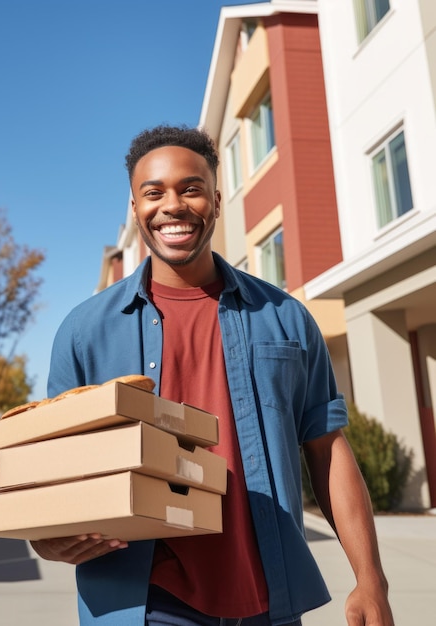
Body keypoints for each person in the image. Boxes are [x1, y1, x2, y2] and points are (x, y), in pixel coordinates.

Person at [31, 125, 395, 626]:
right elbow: (54, 465)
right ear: (135, 208)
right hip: (143, 600)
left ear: (217, 201)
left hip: (268, 597)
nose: (173, 205)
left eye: (191, 188)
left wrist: (370, 578)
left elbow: (326, 449)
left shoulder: (285, 317)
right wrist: (46, 536)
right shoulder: (84, 331)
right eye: (153, 193)